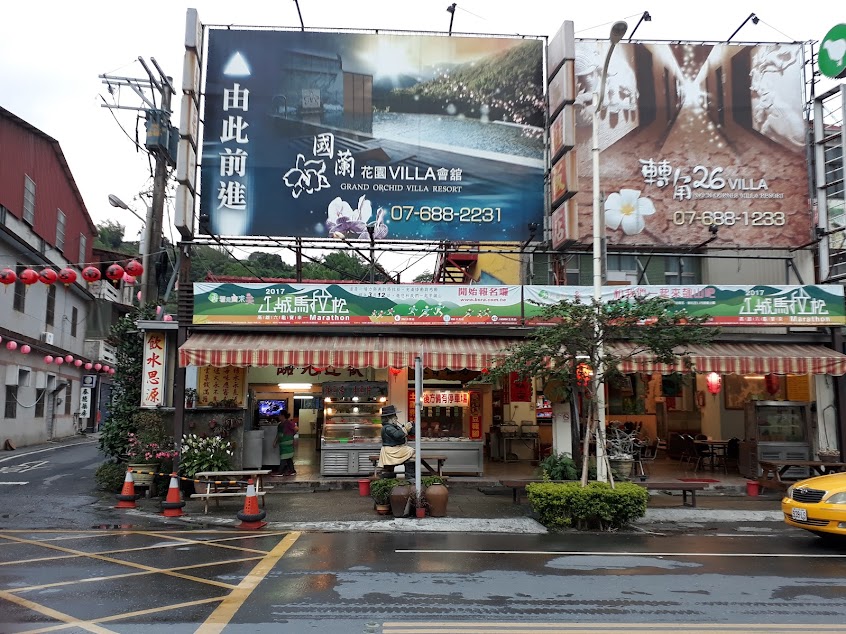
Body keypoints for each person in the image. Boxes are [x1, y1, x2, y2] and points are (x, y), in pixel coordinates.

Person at [377, 405, 415, 479]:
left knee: (411, 454)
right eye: (394, 416)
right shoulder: (387, 428)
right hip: (391, 450)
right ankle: (411, 477)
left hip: (396, 449)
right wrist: (405, 429)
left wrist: (410, 429)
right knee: (411, 451)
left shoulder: (393, 426)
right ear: (388, 418)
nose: (396, 418)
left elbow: (401, 433)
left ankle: (410, 476)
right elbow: (398, 435)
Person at [273, 411, 298, 476]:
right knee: (288, 457)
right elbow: (278, 434)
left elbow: (296, 429)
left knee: (284, 457)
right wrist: (275, 441)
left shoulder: (289, 423)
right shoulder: (280, 425)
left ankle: (280, 471)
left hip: (287, 442)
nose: (278, 417)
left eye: (279, 415)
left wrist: (291, 434)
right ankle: (292, 470)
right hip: (283, 442)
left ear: (283, 416)